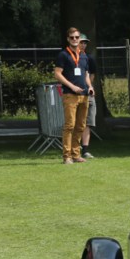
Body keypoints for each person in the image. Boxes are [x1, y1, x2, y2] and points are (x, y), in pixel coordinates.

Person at [53, 27, 93, 164]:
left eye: (77, 37)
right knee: (69, 125)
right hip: (70, 95)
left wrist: (90, 86)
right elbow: (57, 73)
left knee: (81, 126)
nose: (75, 40)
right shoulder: (63, 54)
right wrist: (72, 86)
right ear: (68, 39)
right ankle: (67, 156)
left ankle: (76, 154)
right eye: (72, 37)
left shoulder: (84, 55)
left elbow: (86, 74)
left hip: (84, 95)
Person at [78, 34, 97, 158]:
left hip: (87, 93)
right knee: (75, 122)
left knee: (88, 122)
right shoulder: (69, 56)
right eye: (81, 42)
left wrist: (89, 86)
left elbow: (91, 74)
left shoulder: (89, 58)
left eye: (85, 43)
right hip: (75, 93)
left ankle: (85, 149)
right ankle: (74, 147)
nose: (83, 44)